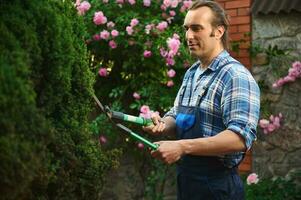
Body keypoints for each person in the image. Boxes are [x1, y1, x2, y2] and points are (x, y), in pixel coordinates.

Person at [143, 1, 260, 199]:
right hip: (187, 182)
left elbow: (239, 138)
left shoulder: (235, 76)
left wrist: (182, 146)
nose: (189, 36)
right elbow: (177, 115)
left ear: (219, 31)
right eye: (186, 28)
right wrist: (162, 124)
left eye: (197, 28)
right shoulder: (191, 73)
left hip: (218, 188)